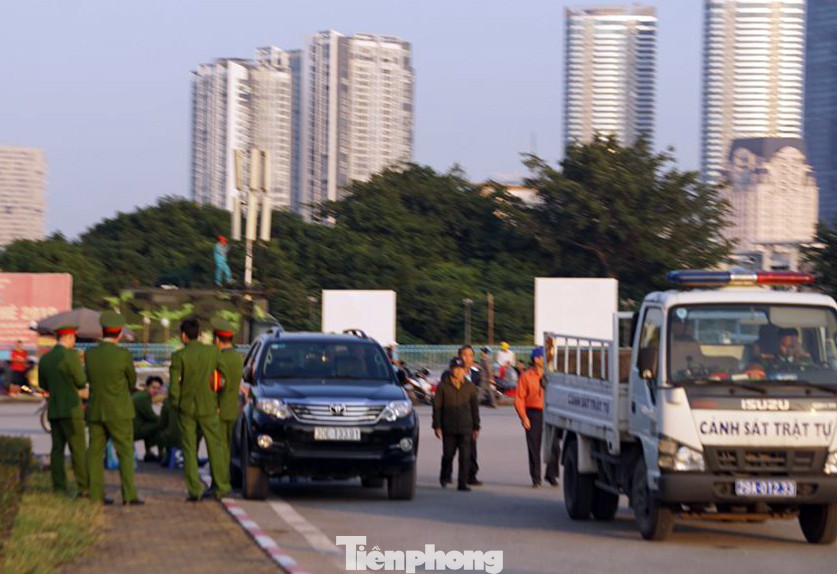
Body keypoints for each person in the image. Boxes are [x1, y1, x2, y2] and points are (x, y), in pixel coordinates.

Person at [169, 317, 231, 501]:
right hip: (209, 407)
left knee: (189, 449)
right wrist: (218, 401)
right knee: (215, 447)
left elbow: (173, 387)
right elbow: (224, 378)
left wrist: (176, 405)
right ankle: (221, 486)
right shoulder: (212, 353)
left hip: (186, 409)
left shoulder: (179, 356)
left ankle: (194, 490)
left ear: (183, 335)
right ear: (199, 334)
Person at [85, 312, 143, 505]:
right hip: (119, 410)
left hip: (96, 409)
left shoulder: (90, 354)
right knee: (125, 452)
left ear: (102, 332)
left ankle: (95, 495)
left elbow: (88, 379)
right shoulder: (123, 355)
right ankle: (128, 495)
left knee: (94, 452)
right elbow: (132, 380)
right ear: (118, 333)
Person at [38, 324, 89, 496]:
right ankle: (84, 487)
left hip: (54, 410)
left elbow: (43, 385)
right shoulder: (71, 356)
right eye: (73, 338)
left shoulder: (45, 358)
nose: (74, 342)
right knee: (78, 450)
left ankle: (59, 487)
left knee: (57, 450)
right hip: (72, 410)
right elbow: (81, 381)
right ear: (68, 338)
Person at [433, 356, 480, 492]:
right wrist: (437, 426)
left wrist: (476, 427)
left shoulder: (470, 387)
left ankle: (462, 483)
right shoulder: (443, 386)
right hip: (449, 427)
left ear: (464, 370)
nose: (458, 371)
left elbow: (474, 408)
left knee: (465, 456)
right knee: (448, 454)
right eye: (455, 368)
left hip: (466, 427)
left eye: (460, 369)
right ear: (451, 369)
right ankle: (444, 475)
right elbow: (437, 407)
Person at [514, 346, 559, 488]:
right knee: (534, 446)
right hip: (533, 413)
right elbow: (519, 398)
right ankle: (536, 478)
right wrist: (523, 417)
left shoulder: (551, 375)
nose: (543, 359)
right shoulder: (526, 376)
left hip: (550, 412)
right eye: (541, 356)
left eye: (544, 356)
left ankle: (551, 474)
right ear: (535, 359)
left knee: (554, 446)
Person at [212, 317, 243, 470]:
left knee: (219, 448)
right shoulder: (239, 358)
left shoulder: (218, 358)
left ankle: (220, 479)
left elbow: (217, 384)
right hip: (234, 408)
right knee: (231, 447)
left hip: (219, 409)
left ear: (217, 339)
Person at [459, 345, 483, 486]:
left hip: (470, 416)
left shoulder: (475, 375)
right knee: (451, 450)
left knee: (471, 447)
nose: (467, 358)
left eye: (470, 355)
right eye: (464, 355)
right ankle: (447, 473)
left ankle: (471, 475)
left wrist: (476, 424)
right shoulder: (451, 374)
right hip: (454, 416)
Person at [133, 375, 165, 461]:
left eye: (158, 388)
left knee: (153, 425)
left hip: (133, 427)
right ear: (147, 386)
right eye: (153, 387)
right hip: (133, 430)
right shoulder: (144, 398)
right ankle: (161, 453)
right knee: (159, 423)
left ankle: (149, 452)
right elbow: (152, 417)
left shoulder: (141, 395)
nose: (156, 390)